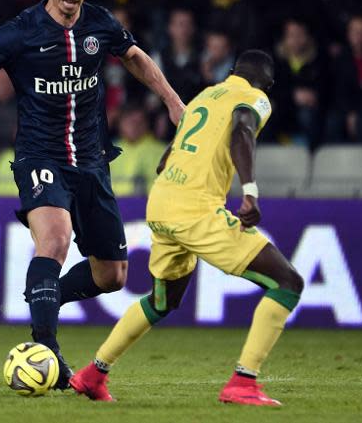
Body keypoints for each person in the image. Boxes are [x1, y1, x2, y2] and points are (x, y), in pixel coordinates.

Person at [0, 0, 184, 389]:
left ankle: (41, 296)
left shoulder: (100, 23)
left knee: (113, 275)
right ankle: (45, 346)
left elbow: (135, 57)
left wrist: (172, 101)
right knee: (54, 240)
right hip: (40, 157)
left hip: (92, 160)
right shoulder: (20, 31)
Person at [70, 50, 304, 406]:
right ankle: (243, 382)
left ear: (233, 70)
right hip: (196, 208)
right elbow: (242, 130)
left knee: (163, 301)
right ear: (267, 83)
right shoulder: (255, 98)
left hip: (162, 201)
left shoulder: (205, 97)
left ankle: (93, 374)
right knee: (287, 282)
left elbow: (170, 155)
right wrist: (250, 191)